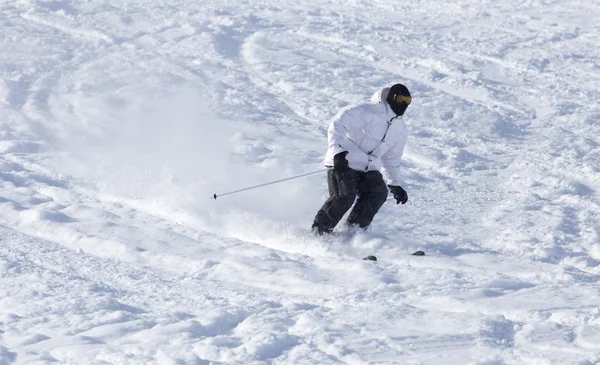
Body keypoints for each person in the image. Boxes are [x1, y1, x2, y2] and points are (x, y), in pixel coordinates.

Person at [312, 83, 411, 235]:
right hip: (345, 161)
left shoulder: (400, 129)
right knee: (345, 195)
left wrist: (395, 183)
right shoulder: (367, 110)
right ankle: (319, 232)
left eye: (408, 101)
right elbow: (337, 126)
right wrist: (337, 152)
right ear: (392, 98)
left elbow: (392, 159)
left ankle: (351, 233)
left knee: (378, 193)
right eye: (401, 99)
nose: (404, 103)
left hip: (369, 167)